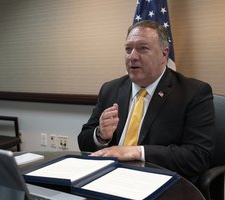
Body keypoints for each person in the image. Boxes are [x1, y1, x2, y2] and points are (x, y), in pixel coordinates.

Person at [77, 20, 215, 182]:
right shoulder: (111, 89)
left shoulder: (193, 93)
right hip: (109, 178)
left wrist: (136, 152)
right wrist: (101, 136)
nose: (132, 56)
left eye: (143, 48)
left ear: (164, 54)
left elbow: (198, 156)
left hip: (158, 181)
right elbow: (84, 142)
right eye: (128, 49)